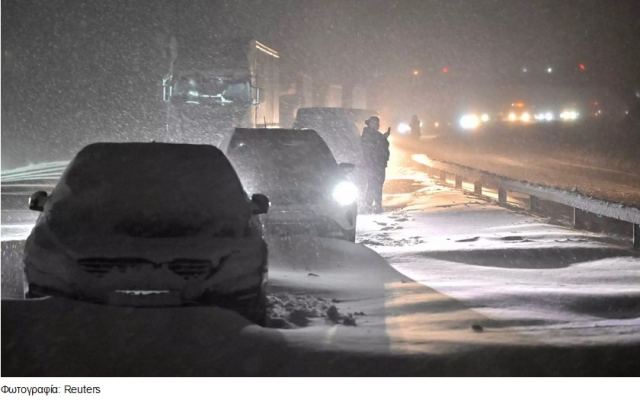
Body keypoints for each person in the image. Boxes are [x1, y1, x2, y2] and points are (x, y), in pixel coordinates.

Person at [361, 116, 390, 213]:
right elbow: (371, 147)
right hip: (372, 164)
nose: (376, 125)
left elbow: (383, 147)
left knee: (378, 185)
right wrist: (383, 138)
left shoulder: (377, 135)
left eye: (377, 123)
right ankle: (369, 205)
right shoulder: (367, 135)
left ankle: (377, 204)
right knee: (372, 185)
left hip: (380, 164)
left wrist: (384, 138)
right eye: (373, 123)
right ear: (369, 124)